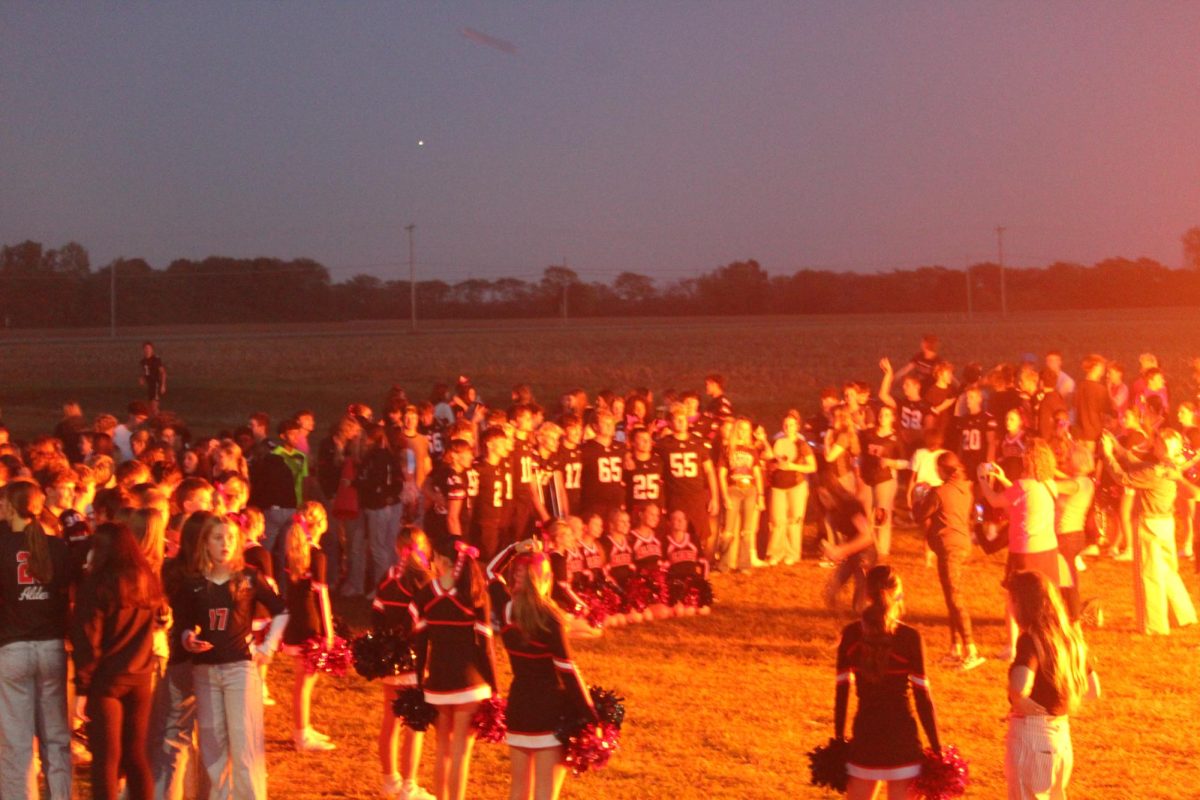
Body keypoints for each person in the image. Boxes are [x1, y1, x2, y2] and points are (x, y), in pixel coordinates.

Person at [180, 514, 289, 800]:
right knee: (213, 746)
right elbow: (186, 621)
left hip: (239, 669)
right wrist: (187, 637)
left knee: (245, 744)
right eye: (217, 538)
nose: (225, 544)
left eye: (230, 538)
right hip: (205, 672)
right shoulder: (194, 582)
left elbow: (282, 609)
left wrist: (268, 649)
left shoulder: (249, 577)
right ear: (206, 543)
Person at [488, 538, 597, 800]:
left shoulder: (506, 610)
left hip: (519, 707)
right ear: (545, 579)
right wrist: (591, 715)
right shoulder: (552, 618)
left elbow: (490, 571)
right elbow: (568, 672)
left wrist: (515, 548)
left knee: (518, 790)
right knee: (545, 793)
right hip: (550, 710)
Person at [71, 522, 165, 800]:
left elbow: (88, 640)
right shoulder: (147, 581)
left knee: (106, 761)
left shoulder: (96, 586)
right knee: (136, 757)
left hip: (106, 682)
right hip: (140, 678)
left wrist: (82, 688)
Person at [834, 565, 940, 800]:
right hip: (902, 740)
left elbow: (842, 693)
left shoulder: (851, 635)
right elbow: (922, 698)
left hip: (865, 736)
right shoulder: (910, 638)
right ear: (898, 594)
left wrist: (838, 740)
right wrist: (937, 748)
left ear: (867, 594)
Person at [0, 481, 74, 800]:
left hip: (12, 647)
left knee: (16, 743)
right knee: (56, 739)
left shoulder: (2, 544)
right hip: (51, 647)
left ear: (8, 507)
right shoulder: (56, 546)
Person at [411, 537, 497, 800]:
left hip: (438, 682)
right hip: (470, 684)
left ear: (442, 561)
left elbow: (420, 642)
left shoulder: (426, 593)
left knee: (442, 750)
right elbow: (485, 647)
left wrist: (419, 681)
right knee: (461, 751)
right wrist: (495, 688)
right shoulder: (474, 592)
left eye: (434, 557)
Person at [1005, 570, 1099, 800]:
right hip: (1061, 738)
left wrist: (1019, 700)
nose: (1010, 609)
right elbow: (1093, 690)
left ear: (1022, 603)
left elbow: (1020, 685)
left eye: (1011, 602)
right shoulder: (1069, 637)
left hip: (1033, 737)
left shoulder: (1031, 639)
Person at [1100, 428, 1199, 635]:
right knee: (1168, 572)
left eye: (1157, 443)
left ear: (1164, 448)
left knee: (1149, 575)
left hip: (1149, 525)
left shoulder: (1156, 472)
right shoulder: (1171, 466)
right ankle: (1184, 614)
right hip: (1166, 523)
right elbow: (1140, 466)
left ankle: (1154, 625)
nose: (1153, 445)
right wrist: (1118, 449)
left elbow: (1124, 478)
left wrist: (1108, 455)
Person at [978, 440, 1066, 658]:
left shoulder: (1021, 486)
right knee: (1046, 597)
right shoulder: (1049, 485)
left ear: (1030, 460)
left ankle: (1013, 646)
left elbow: (995, 500)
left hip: (1024, 550)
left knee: (1014, 598)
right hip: (1047, 549)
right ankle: (1051, 639)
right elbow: (1023, 495)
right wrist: (1002, 479)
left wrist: (982, 478)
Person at [372, 526, 435, 800]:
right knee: (414, 725)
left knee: (390, 720)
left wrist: (383, 647)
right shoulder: (423, 579)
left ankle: (390, 780)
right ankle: (409, 786)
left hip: (390, 658)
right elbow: (425, 623)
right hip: (414, 659)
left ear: (398, 548)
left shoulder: (388, 576)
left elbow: (376, 615)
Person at [917, 453, 984, 671]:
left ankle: (971, 649)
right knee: (950, 597)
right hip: (960, 544)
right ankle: (955, 648)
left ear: (943, 469)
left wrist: (921, 495)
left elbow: (920, 514)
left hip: (949, 547)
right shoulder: (964, 488)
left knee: (955, 598)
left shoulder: (940, 492)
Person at [280, 502, 337, 752]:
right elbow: (321, 596)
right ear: (321, 524)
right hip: (310, 621)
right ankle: (301, 734)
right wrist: (328, 631)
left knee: (302, 680)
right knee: (306, 681)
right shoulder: (318, 555)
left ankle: (303, 727)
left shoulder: (293, 551)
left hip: (294, 619)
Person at [766, 410, 817, 565]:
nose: (788, 427)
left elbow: (812, 466)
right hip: (778, 486)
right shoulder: (777, 442)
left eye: (792, 425)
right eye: (786, 425)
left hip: (796, 485)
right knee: (778, 520)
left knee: (794, 520)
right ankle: (775, 553)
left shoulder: (802, 444)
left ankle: (793, 553)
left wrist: (792, 466)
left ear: (797, 427)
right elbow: (768, 460)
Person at [718, 417, 765, 572]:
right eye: (741, 429)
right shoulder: (727, 449)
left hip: (750, 490)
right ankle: (724, 564)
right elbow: (721, 473)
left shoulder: (752, 450)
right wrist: (724, 496)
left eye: (747, 429)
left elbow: (757, 474)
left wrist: (761, 495)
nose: (744, 432)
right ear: (736, 430)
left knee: (747, 530)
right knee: (729, 530)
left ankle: (744, 565)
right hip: (733, 490)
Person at [139, 342, 167, 411]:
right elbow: (146, 372)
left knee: (154, 405)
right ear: (143, 350)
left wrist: (163, 385)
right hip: (149, 385)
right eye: (146, 348)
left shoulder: (156, 359)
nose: (147, 350)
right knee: (150, 405)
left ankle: (159, 420)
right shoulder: (143, 361)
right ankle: (154, 419)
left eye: (149, 348)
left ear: (152, 350)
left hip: (156, 384)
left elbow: (163, 372)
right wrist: (142, 378)